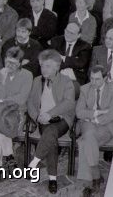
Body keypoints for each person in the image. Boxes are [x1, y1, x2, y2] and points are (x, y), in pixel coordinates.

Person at [26, 49, 76, 194]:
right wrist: (37, 117)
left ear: (57, 67)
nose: (44, 69)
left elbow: (69, 103)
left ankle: (33, 163)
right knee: (50, 138)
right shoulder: (37, 81)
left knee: (51, 131)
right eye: (42, 66)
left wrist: (50, 114)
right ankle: (53, 179)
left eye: (48, 66)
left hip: (62, 120)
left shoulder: (66, 81)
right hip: (42, 120)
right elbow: (30, 102)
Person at [0, 47, 33, 189]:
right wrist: (3, 78)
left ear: (21, 63)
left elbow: (22, 98)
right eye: (7, 62)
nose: (9, 66)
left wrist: (3, 100)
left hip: (17, 114)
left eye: (14, 63)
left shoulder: (27, 75)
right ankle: (9, 158)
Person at [77, 65, 113, 196]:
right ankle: (95, 176)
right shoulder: (85, 89)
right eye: (91, 78)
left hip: (106, 127)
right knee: (89, 136)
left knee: (84, 142)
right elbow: (79, 112)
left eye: (97, 79)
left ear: (105, 78)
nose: (93, 82)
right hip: (88, 125)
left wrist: (93, 118)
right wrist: (98, 112)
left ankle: (90, 181)